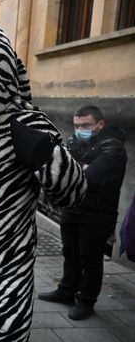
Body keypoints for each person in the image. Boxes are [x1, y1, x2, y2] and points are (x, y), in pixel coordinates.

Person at [38, 105, 127, 320]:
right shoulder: (73, 141)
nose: (80, 129)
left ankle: (86, 301)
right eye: (76, 125)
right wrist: (80, 167)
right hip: (73, 208)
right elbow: (62, 169)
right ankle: (67, 291)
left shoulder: (113, 146)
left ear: (100, 124)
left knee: (91, 259)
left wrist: (76, 169)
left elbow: (90, 177)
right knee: (70, 253)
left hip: (98, 213)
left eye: (85, 125)